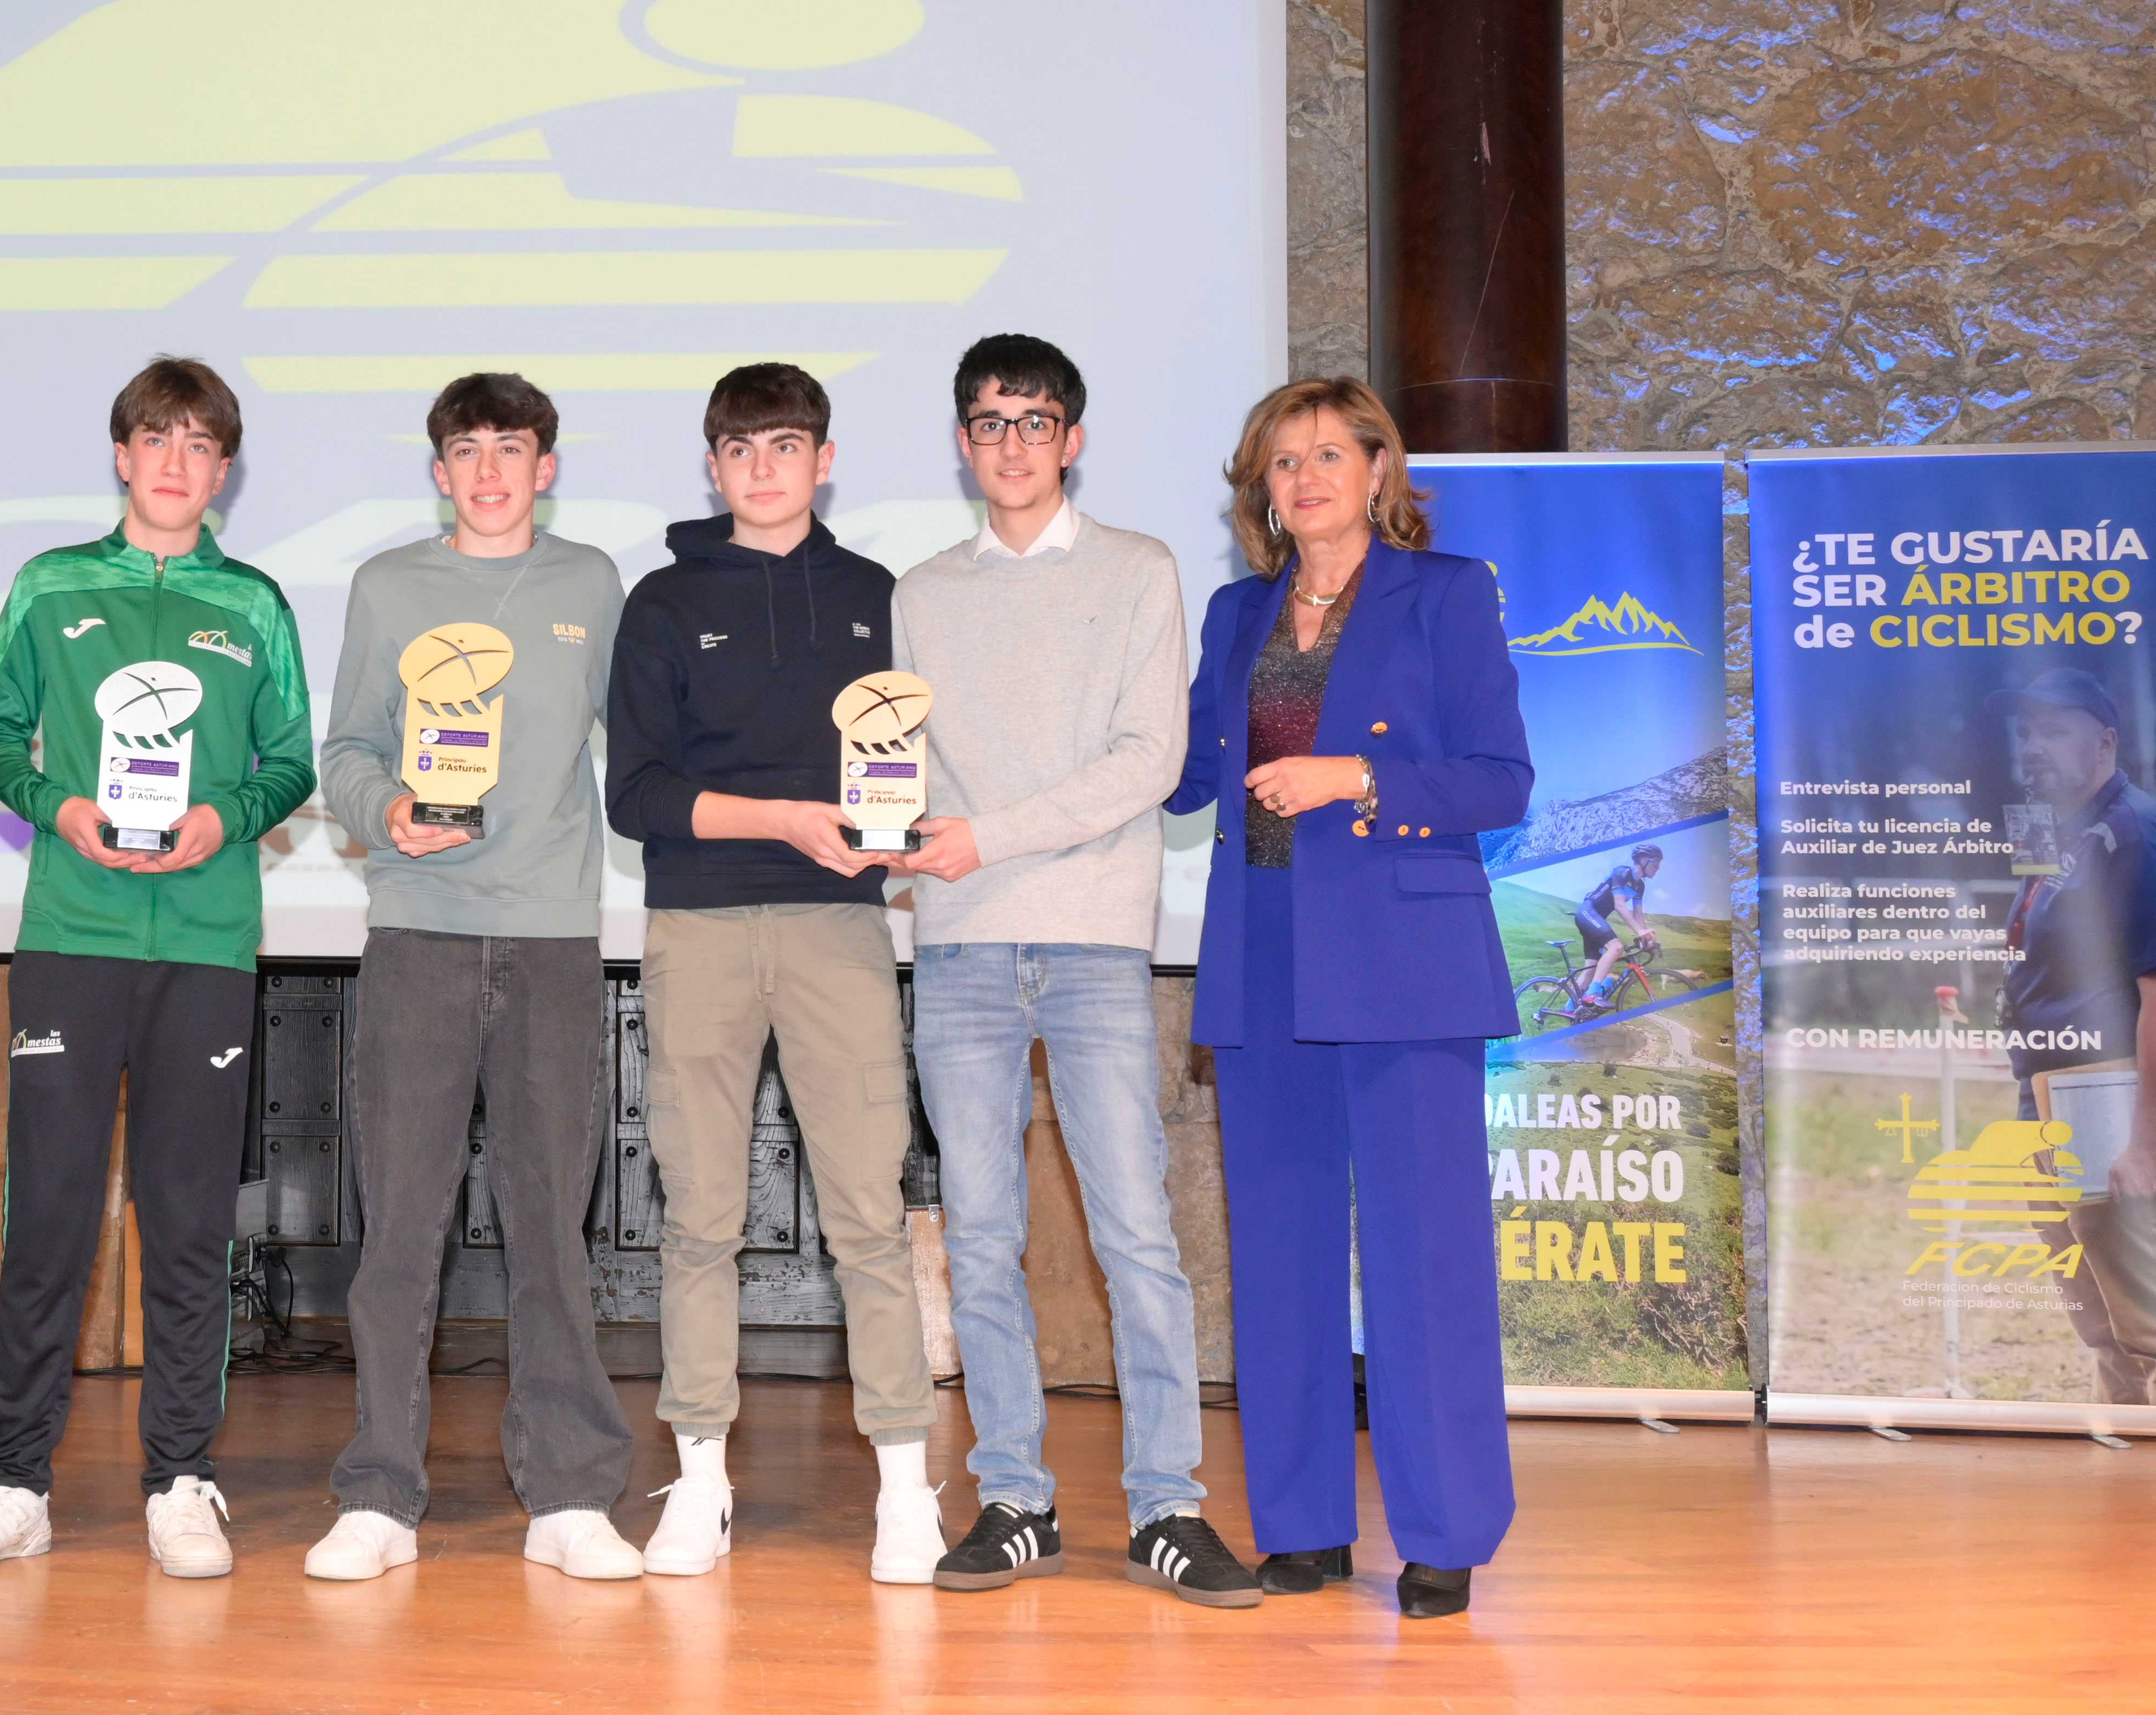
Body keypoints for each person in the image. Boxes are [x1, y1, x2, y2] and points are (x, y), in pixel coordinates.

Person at [0, 357, 314, 1580]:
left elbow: (292, 760)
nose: (176, 463)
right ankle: (13, 1478)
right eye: (157, 439)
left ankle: (182, 1475)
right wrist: (57, 803)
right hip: (73, 935)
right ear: (123, 453)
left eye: (201, 445)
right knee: (47, 1214)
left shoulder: (253, 602)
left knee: (190, 1217)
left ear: (224, 469)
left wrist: (228, 819)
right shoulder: (51, 584)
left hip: (204, 942)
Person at [888, 334, 1259, 1606]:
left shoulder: (1140, 569)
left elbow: (1150, 758)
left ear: (1073, 435)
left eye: (1034, 419)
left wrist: (986, 832)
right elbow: (911, 761)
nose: (1011, 442)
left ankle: (1167, 1505)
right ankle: (1016, 1499)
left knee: (1136, 1235)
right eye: (988, 421)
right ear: (962, 438)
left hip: (1098, 941)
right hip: (961, 943)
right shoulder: (924, 590)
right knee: (982, 1236)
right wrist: (908, 833)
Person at [1165, 376, 1531, 1620]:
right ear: (1260, 487)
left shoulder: (1448, 594)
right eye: (1282, 460)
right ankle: (1306, 1524)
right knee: (1278, 1255)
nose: (1306, 476)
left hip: (1404, 962)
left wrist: (1356, 775)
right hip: (1264, 957)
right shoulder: (1231, 614)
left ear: (1380, 468)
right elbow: (1168, 774)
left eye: (1329, 453)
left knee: (1428, 1259)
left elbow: (1499, 782)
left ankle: (1444, 1529)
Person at [604, 362, 945, 1585]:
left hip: (839, 926)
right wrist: (781, 817)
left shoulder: (878, 597)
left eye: (785, 445)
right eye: (740, 449)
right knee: (700, 1216)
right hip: (698, 926)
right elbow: (633, 795)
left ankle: (906, 1485)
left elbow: (910, 770)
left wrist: (880, 831)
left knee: (867, 1209)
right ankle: (698, 1480)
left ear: (825, 458)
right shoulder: (660, 600)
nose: (763, 468)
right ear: (713, 465)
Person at [304, 373, 641, 1582]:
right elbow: (339, 749)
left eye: (513, 447)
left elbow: (641, 743)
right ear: (438, 470)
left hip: (553, 935)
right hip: (419, 928)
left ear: (545, 465)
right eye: (466, 449)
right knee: (401, 1221)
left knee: (553, 1220)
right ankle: (381, 1491)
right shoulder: (389, 585)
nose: (490, 468)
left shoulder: (591, 583)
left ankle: (567, 1490)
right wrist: (386, 808)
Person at [1987, 667, 2156, 1402]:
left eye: (2055, 729)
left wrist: (2144, 1144)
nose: (2033, 745)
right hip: (2051, 1095)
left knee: (2143, 1314)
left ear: (2106, 741)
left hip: (2108, 1099)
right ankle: (2121, 1458)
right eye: (2025, 730)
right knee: (2097, 1311)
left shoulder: (2135, 836)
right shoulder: (2062, 834)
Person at [1572, 843, 1663, 1012]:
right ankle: (1592, 995)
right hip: (1588, 913)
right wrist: (1641, 932)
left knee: (1590, 970)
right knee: (1616, 948)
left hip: (1595, 920)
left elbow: (1638, 915)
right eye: (1656, 864)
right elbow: (1620, 906)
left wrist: (1647, 940)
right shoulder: (1622, 872)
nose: (1658, 869)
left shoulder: (1640, 887)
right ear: (1644, 861)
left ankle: (1570, 1011)